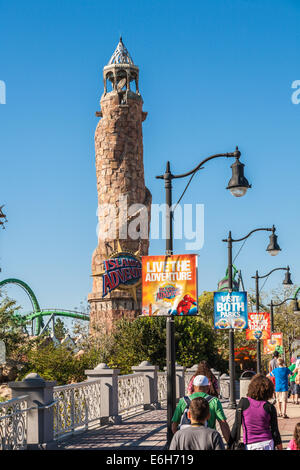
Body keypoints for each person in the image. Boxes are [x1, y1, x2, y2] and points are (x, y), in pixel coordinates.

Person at [229, 374, 282, 450]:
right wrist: (280, 447)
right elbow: (275, 431)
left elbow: (236, 426)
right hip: (267, 444)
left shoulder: (243, 404)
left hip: (249, 445)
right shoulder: (270, 407)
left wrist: (229, 444)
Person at [171, 375, 230, 444]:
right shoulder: (214, 401)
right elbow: (223, 424)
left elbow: (174, 426)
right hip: (207, 441)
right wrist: (229, 443)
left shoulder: (183, 401)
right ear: (208, 387)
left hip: (187, 441)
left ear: (193, 387)